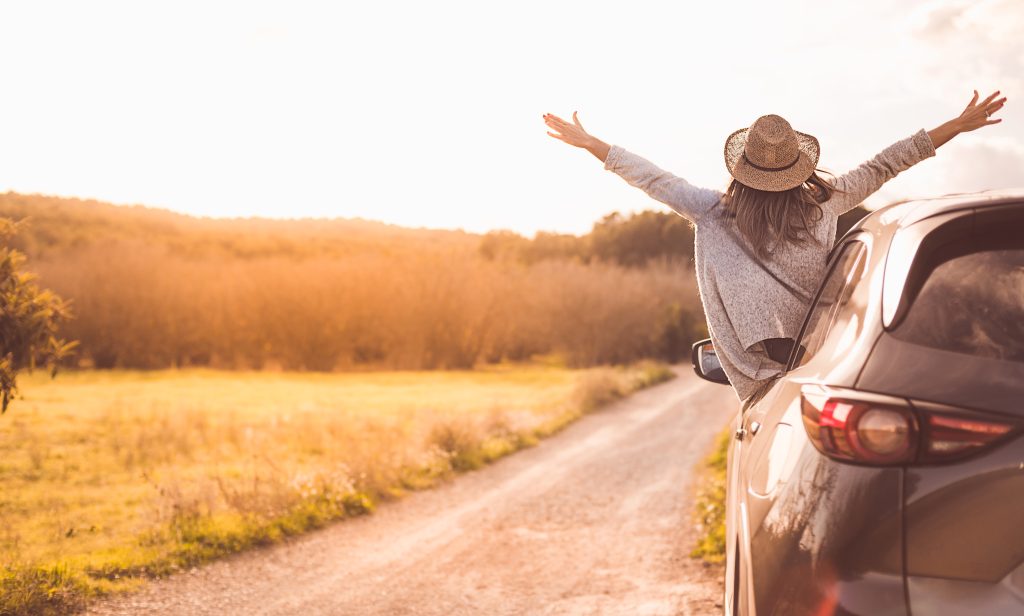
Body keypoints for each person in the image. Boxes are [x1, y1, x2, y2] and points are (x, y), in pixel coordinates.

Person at [542, 90, 1007, 408]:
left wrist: (592, 145)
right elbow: (889, 162)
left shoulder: (711, 211)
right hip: (828, 364)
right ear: (797, 167)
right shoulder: (827, 202)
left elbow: (653, 178)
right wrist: (956, 126)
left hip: (766, 379)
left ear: (743, 167)